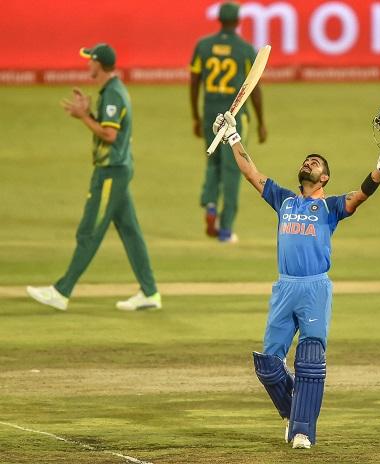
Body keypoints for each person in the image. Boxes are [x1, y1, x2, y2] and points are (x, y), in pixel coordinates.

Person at [212, 105, 380, 448]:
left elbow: (361, 195)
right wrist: (233, 136)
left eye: (315, 162)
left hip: (315, 288)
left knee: (309, 361)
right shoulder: (284, 200)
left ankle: (303, 431)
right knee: (268, 365)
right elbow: (251, 173)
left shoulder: (330, 207)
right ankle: (295, 413)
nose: (309, 163)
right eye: (307, 160)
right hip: (284, 286)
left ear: (325, 178)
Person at [26, 43, 161, 312]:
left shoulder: (113, 93)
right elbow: (112, 129)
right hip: (117, 170)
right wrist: (89, 113)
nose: (87, 64)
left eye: (90, 60)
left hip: (111, 172)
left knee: (90, 231)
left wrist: (83, 116)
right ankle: (150, 293)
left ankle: (61, 292)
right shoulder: (112, 91)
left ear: (99, 64)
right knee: (130, 232)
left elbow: (110, 135)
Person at [189, 1, 267, 243]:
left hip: (210, 111)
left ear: (219, 19)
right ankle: (225, 229)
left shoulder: (203, 46)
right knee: (233, 171)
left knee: (213, 164)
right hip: (234, 117)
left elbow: (193, 82)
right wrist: (262, 121)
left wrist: (196, 115)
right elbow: (252, 88)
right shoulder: (244, 49)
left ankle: (210, 203)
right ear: (238, 21)